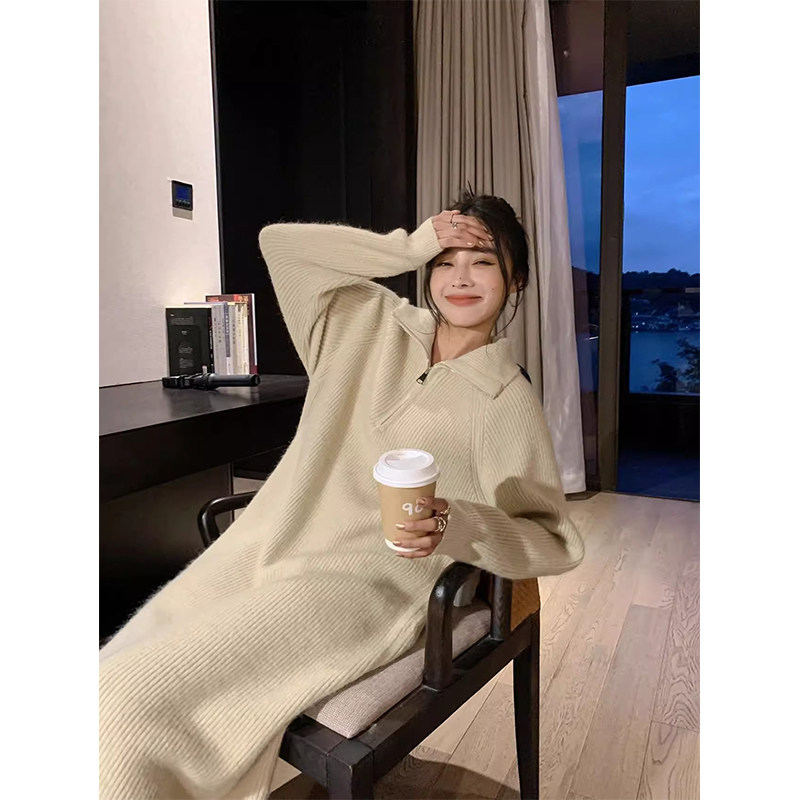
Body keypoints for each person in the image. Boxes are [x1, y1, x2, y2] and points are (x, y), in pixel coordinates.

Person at [99, 189, 585, 799]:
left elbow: (551, 539)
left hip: (365, 586)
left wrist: (456, 525)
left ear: (516, 280)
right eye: (445, 261)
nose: (460, 277)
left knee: (125, 710)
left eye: (483, 261)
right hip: (267, 544)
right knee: (107, 677)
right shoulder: (368, 323)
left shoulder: (506, 399)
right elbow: (280, 245)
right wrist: (407, 245)